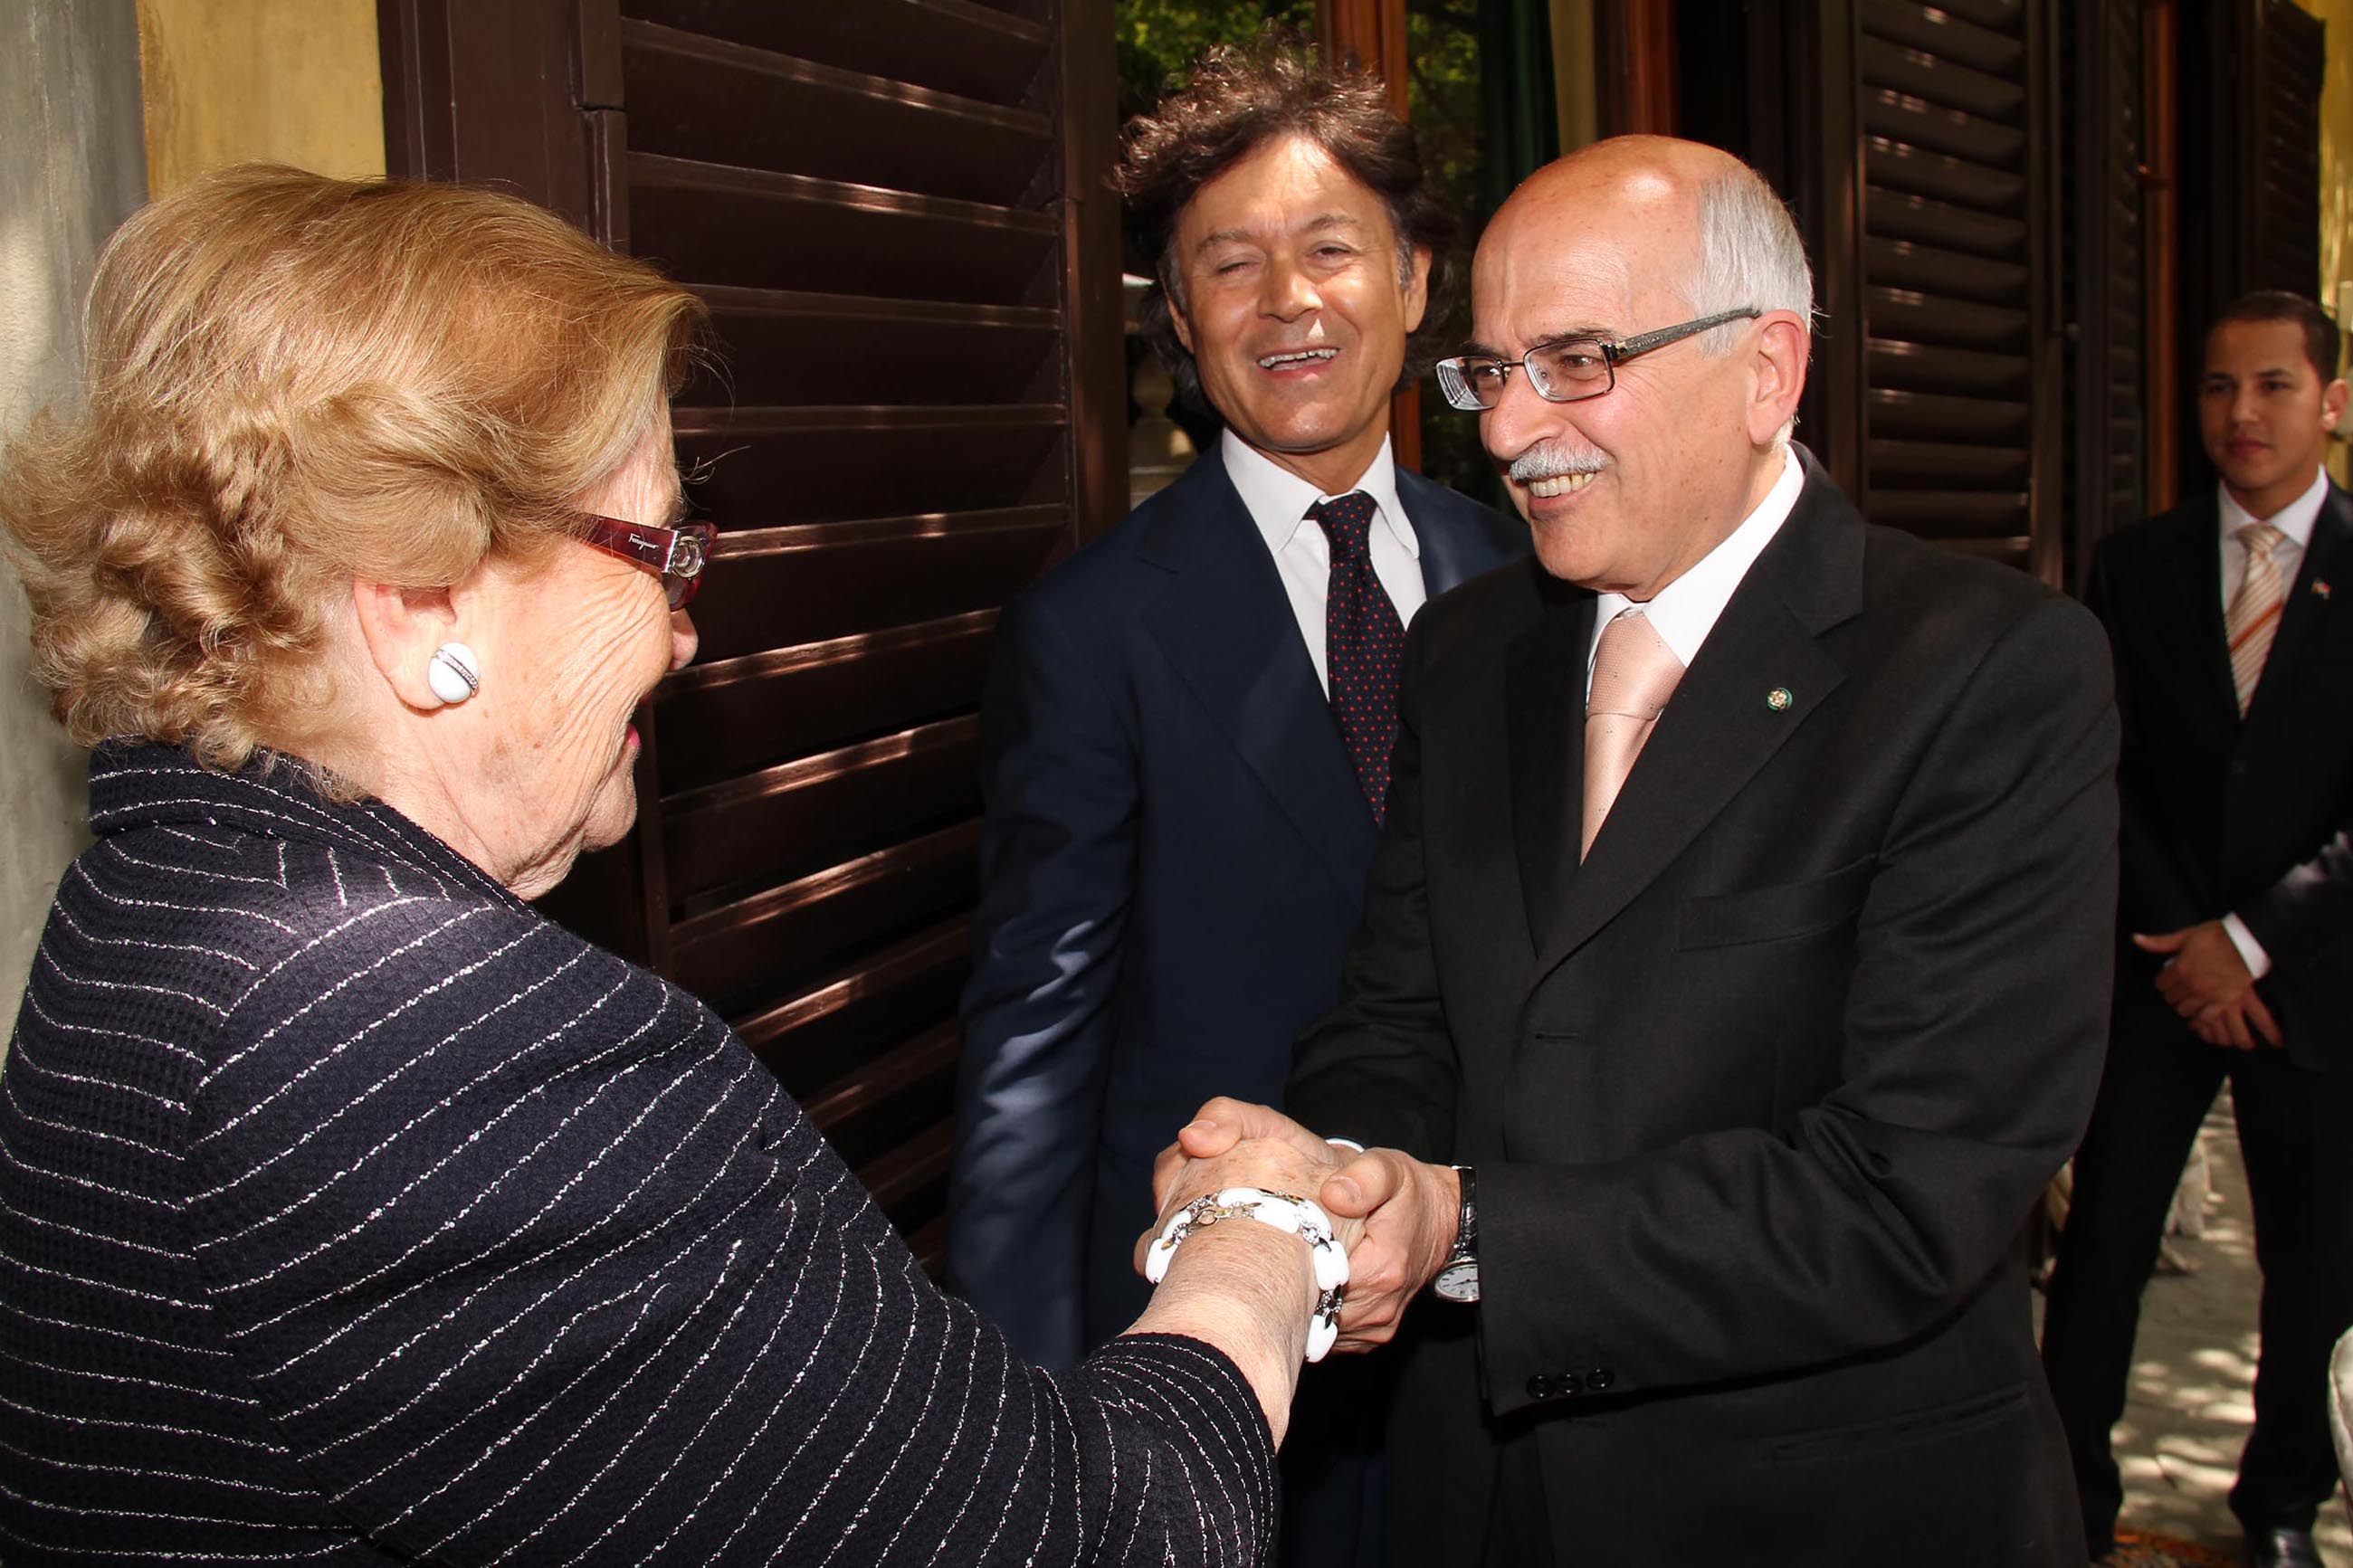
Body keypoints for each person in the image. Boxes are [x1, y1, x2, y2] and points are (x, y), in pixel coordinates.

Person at [0, 165, 1352, 1566]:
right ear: (415, 600)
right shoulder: (438, 1051)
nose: (687, 631)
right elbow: (1107, 1540)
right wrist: (1258, 1234)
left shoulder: (155, 894)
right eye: (663, 548)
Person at [1167, 135, 2121, 1566]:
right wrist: (1333, 1178)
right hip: (1476, 1499)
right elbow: (1397, 1017)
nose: (1505, 429)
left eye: (1577, 360)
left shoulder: (1993, 674)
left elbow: (1908, 1190)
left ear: (1769, 372)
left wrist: (1466, 1228)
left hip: (1820, 1509)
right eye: (1490, 369)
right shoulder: (1471, 653)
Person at [947, 46, 1522, 1567]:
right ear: (1179, 321)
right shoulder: (1090, 630)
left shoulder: (1531, 581)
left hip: (1497, 1311)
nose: (1291, 301)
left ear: (1413, 281)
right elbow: (1033, 1038)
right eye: (1232, 265)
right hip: (1232, 1337)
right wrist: (1022, 1409)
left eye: (1331, 249)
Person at [2042, 290, 2353, 1568]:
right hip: (2159, 974)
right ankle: (2069, 1495)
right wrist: (2188, 936)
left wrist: (2258, 940)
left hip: (2315, 977)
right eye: (2220, 386)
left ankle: (2280, 1504)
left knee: (2314, 1263)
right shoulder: (2140, 564)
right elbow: (2101, 763)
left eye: (2274, 386)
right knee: (2105, 1247)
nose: (2242, 413)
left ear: (2330, 401)